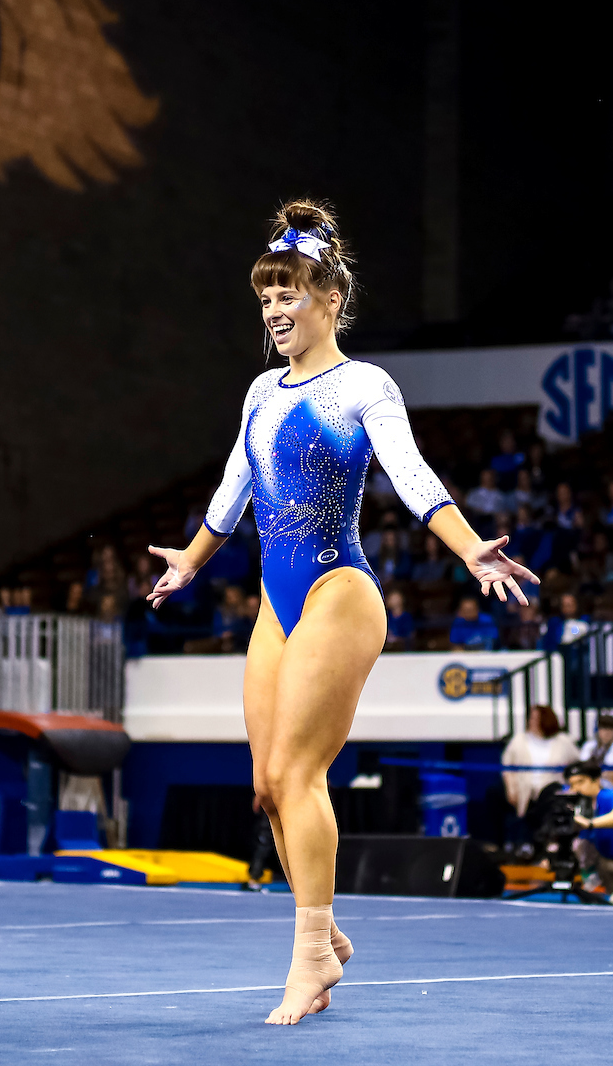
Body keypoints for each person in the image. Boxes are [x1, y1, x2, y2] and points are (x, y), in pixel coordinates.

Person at [145, 198, 537, 1025]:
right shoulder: (259, 390)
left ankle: (310, 953)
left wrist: (469, 549)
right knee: (264, 786)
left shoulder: (365, 385)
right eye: (266, 298)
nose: (276, 310)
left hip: (339, 591)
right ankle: (323, 934)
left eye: (289, 293)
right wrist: (191, 557)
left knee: (299, 774)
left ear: (330, 298)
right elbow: (233, 490)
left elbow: (414, 474)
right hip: (275, 604)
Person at [501, 705, 578, 851]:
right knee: (493, 794)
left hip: (550, 789)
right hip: (523, 788)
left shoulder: (563, 742)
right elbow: (507, 766)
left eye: (536, 718)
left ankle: (541, 845)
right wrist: (511, 789)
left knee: (552, 793)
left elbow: (577, 763)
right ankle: (503, 845)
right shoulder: (519, 740)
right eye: (531, 718)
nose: (532, 722)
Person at [565, 761, 613, 894]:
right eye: (572, 784)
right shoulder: (578, 803)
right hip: (602, 860)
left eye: (580, 782)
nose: (576, 788)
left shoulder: (608, 796)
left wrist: (590, 823)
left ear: (595, 780)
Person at [580, 714, 613, 786]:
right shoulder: (589, 745)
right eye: (604, 728)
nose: (607, 732)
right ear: (598, 730)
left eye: (610, 729)